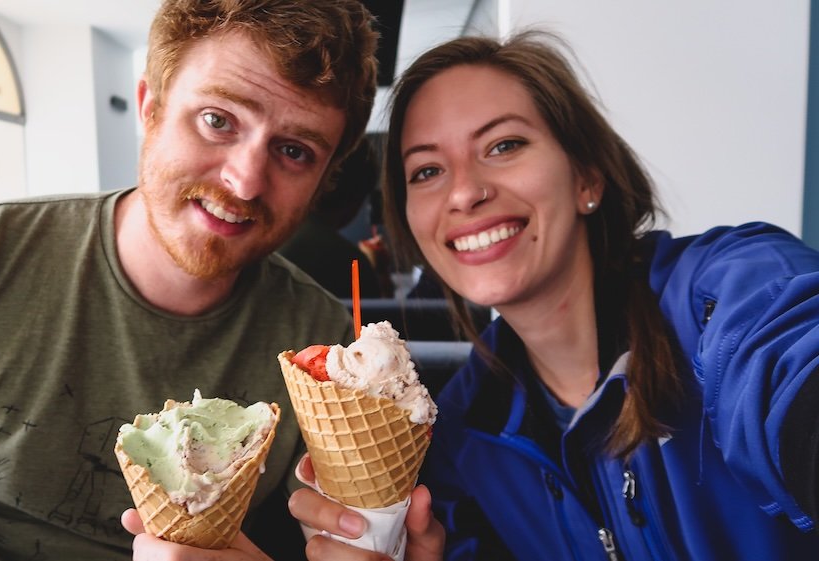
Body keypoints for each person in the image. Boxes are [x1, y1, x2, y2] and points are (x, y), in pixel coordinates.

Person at [0, 1, 378, 559]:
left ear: (323, 180)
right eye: (217, 119)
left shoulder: (327, 351)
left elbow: (340, 536)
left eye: (294, 151)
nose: (246, 180)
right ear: (150, 108)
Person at [290, 31, 819, 560]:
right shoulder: (459, 437)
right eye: (427, 170)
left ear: (587, 175)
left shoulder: (728, 291)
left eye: (504, 145)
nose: (464, 192)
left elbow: (792, 362)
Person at [279, 136, 384, 299]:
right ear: (356, 200)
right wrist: (379, 274)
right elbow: (377, 320)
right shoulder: (350, 263)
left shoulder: (265, 238)